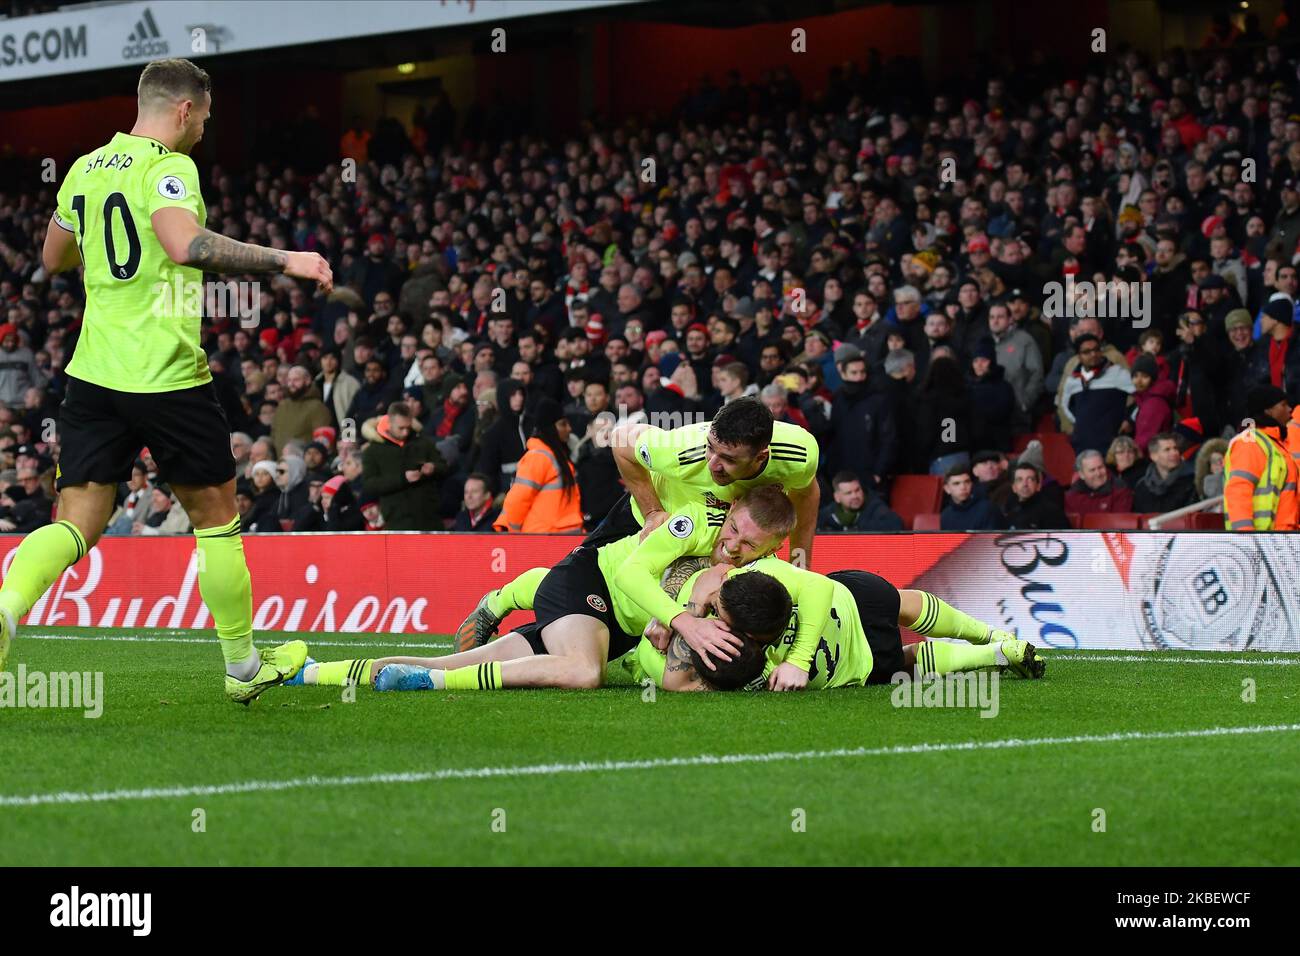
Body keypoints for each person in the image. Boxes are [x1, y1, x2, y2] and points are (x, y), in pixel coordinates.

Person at [10, 58, 328, 699]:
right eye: (204, 118)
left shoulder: (85, 168)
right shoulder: (169, 167)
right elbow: (186, 245)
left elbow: (52, 257)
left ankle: (5, 609)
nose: (204, 131)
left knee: (76, 523)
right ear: (184, 110)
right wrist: (286, 259)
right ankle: (243, 669)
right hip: (167, 377)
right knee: (216, 518)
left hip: (94, 375)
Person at [493, 398, 583, 534]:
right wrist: (509, 533)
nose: (569, 429)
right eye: (563, 424)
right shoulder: (539, 457)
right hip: (543, 541)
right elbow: (518, 499)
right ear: (550, 428)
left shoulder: (555, 456)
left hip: (559, 538)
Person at [360, 402, 449, 531]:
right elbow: (369, 484)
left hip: (429, 517)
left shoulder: (423, 443)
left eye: (408, 427)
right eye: (401, 428)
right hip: (397, 520)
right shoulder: (373, 451)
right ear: (389, 424)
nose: (405, 432)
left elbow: (444, 467)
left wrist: (433, 468)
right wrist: (402, 478)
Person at [1223, 386, 1299, 530]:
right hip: (1261, 543)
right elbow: (1239, 490)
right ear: (1268, 410)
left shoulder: (1275, 444)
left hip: (1280, 541)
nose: (1290, 409)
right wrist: (1245, 536)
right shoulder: (1250, 442)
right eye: (1283, 404)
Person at [1131, 432, 1198, 514]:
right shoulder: (1142, 486)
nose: (1174, 453)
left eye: (1175, 448)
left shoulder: (1192, 481)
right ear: (1154, 456)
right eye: (1167, 449)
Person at [816, 470, 904, 531]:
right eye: (848, 493)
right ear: (837, 497)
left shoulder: (875, 507)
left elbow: (897, 524)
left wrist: (858, 529)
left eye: (857, 490)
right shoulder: (828, 514)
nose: (855, 496)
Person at [1064, 449, 1135, 514]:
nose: (1098, 474)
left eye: (1100, 467)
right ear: (1081, 475)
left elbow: (1120, 524)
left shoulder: (1121, 490)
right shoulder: (1071, 496)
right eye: (1092, 470)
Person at [1001, 462, 1070, 529]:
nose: (1025, 484)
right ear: (1014, 488)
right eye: (1020, 480)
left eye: (1030, 479)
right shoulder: (1010, 512)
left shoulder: (1052, 513)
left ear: (1038, 486)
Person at [940, 463, 1002, 530]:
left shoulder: (987, 509)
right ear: (947, 489)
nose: (963, 487)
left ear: (971, 484)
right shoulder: (945, 515)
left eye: (967, 482)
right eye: (956, 483)